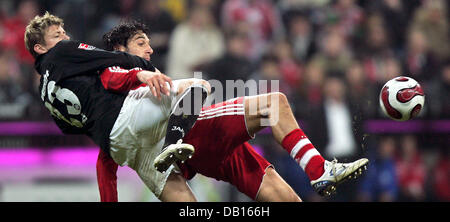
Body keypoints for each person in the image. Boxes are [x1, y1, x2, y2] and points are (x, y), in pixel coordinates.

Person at [97, 20, 369, 200]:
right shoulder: (117, 78)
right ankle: (318, 169)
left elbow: (106, 154)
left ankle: (319, 171)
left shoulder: (148, 76)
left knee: (285, 195)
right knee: (275, 103)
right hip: (197, 135)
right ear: (119, 49)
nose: (151, 48)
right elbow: (108, 138)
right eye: (141, 42)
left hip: (201, 153)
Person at [25, 12, 210, 202]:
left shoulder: (45, 93)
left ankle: (173, 149)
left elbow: (70, 128)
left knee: (179, 196)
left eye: (64, 33)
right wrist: (142, 68)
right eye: (57, 35)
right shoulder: (63, 51)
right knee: (198, 86)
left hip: (114, 144)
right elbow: (107, 59)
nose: (66, 38)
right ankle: (172, 143)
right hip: (126, 115)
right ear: (39, 48)